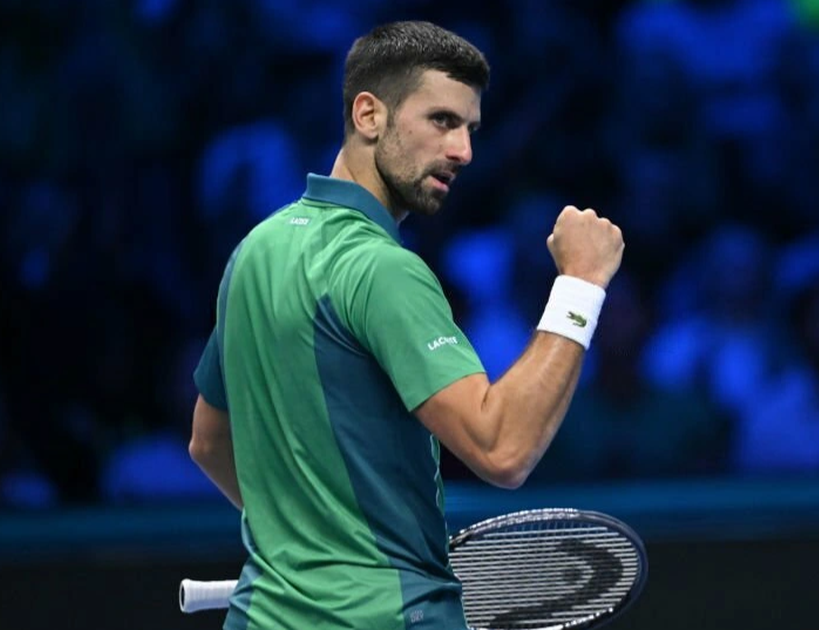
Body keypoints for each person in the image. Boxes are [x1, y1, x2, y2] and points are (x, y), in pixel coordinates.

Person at [188, 21, 624, 630]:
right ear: (368, 115)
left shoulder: (255, 251)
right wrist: (580, 284)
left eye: (471, 130)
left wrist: (311, 550)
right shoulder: (383, 269)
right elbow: (503, 448)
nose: (463, 152)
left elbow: (208, 441)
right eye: (441, 121)